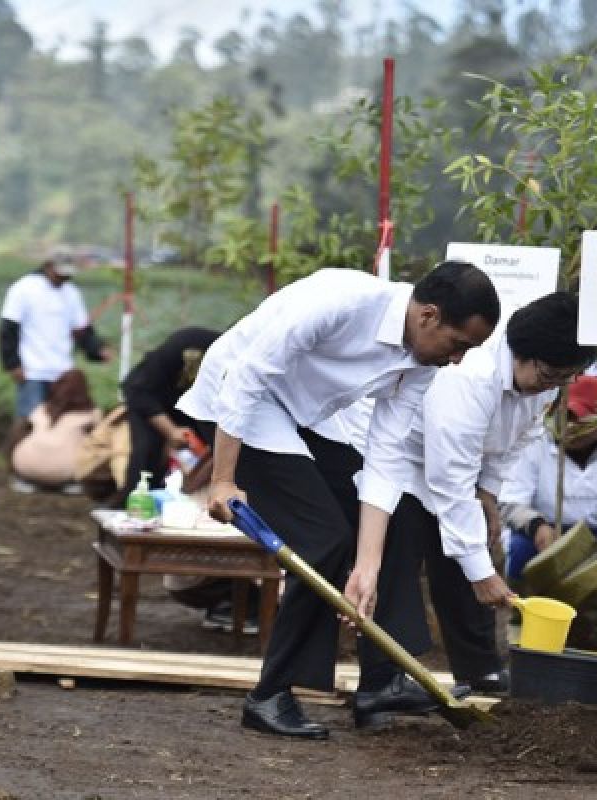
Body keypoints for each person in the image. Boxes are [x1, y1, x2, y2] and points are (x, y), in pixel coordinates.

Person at [177, 261, 500, 739]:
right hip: (243, 402)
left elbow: (386, 458)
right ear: (429, 316)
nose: (458, 360)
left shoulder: (420, 362)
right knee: (322, 538)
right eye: (460, 345)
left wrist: (367, 567)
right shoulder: (340, 301)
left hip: (307, 414)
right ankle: (270, 695)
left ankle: (382, 682)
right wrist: (223, 480)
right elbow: (246, 379)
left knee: (403, 518)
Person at [346, 292, 595, 701]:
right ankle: (381, 683)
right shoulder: (470, 379)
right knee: (401, 555)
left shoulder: (545, 381)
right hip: (397, 456)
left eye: (564, 378)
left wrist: (489, 497)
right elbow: (450, 484)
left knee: (469, 549)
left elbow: (514, 439)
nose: (553, 387)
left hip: (451, 467)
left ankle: (480, 670)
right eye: (550, 375)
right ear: (523, 354)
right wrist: (483, 572)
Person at [500, 374, 597, 650]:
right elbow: (511, 502)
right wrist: (537, 526)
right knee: (519, 549)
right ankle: (521, 620)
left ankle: (592, 627)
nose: (571, 426)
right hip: (542, 530)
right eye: (567, 416)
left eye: (580, 420)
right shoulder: (534, 443)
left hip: (594, 535)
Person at [0, 258, 112, 419]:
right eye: (61, 274)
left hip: (62, 372)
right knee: (30, 423)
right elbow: (8, 329)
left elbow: (81, 330)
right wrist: (12, 364)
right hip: (33, 371)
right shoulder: (23, 288)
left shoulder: (71, 293)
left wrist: (97, 349)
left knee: (62, 421)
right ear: (48, 266)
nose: (64, 278)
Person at [121, 327, 221, 495]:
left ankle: (190, 497)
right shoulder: (184, 346)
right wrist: (171, 431)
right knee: (147, 454)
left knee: (220, 450)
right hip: (152, 401)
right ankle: (136, 504)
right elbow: (138, 392)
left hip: (195, 407)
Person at [7, 369, 102, 492]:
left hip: (26, 468)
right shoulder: (91, 415)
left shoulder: (41, 409)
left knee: (21, 428)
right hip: (66, 472)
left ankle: (24, 478)